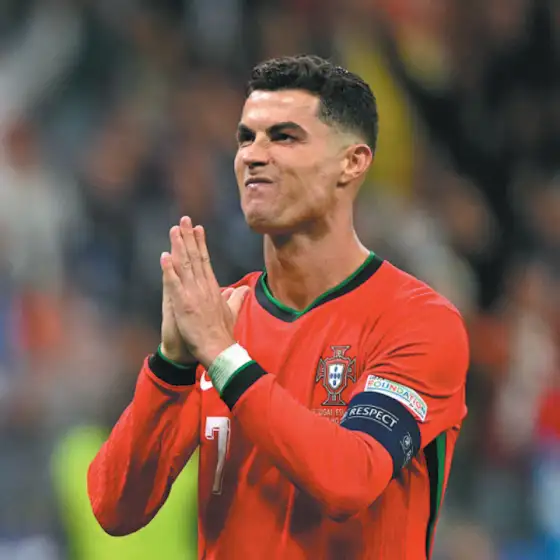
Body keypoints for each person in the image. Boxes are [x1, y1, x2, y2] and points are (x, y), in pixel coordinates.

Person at [88, 54, 469, 560]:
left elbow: (350, 480)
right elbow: (115, 508)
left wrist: (224, 358)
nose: (253, 155)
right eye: (246, 137)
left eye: (284, 137)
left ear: (352, 163)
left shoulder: (418, 321)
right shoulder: (220, 320)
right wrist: (171, 365)